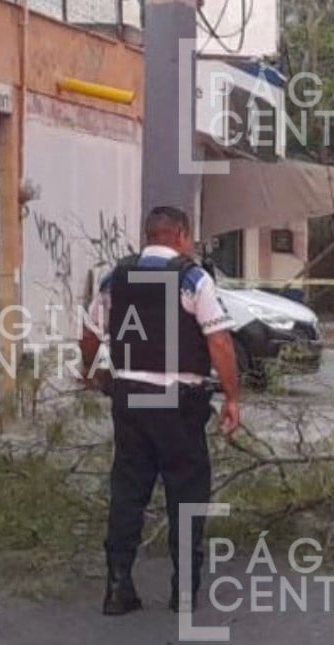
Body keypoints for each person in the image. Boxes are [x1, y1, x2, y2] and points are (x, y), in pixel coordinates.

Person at [79, 206, 242, 616]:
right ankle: (183, 590)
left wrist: (91, 373)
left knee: (128, 491)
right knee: (186, 492)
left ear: (148, 235)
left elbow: (90, 334)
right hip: (177, 401)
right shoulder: (192, 278)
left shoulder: (116, 278)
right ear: (182, 235)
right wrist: (232, 397)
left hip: (130, 397)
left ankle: (118, 587)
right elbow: (219, 341)